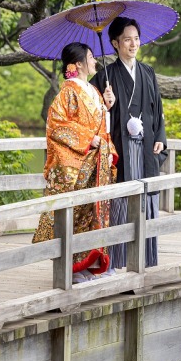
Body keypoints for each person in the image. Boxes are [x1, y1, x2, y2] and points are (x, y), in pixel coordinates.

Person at [33, 42, 118, 283]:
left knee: (93, 213)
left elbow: (103, 128)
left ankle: (90, 262)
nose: (95, 62)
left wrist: (107, 106)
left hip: (95, 164)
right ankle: (71, 267)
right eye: (91, 57)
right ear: (79, 64)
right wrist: (87, 138)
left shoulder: (93, 91)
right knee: (75, 213)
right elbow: (57, 124)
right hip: (76, 164)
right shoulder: (68, 91)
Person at [91, 16, 167, 269]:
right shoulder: (106, 76)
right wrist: (106, 102)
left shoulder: (148, 72)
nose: (133, 44)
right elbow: (93, 114)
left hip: (146, 146)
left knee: (147, 198)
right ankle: (118, 260)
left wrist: (161, 139)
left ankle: (146, 258)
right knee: (121, 201)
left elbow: (158, 111)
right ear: (115, 43)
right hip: (121, 148)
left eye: (136, 39)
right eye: (127, 40)